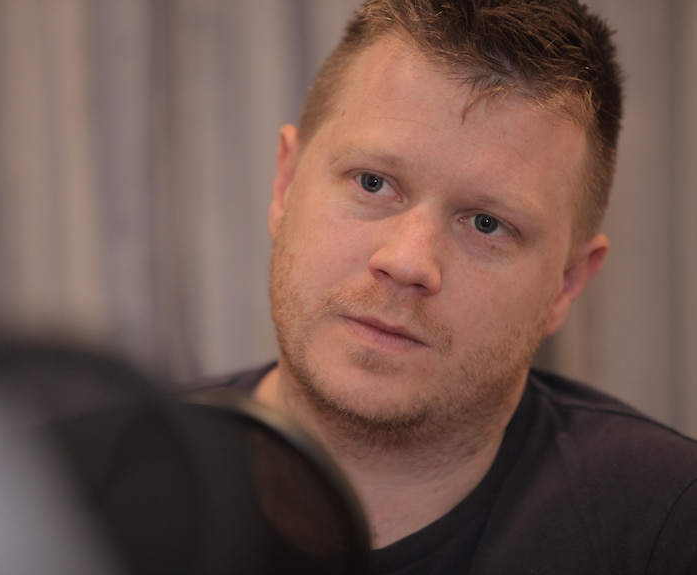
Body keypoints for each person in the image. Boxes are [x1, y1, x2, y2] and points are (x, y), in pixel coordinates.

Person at [197, 0, 697, 573]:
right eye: (373, 182)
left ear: (567, 283)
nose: (408, 262)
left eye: (487, 223)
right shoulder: (95, 482)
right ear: (286, 186)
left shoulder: (668, 530)